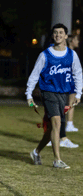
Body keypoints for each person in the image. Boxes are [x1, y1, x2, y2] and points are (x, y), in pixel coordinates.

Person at [26, 23, 82, 169]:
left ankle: (36, 151)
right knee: (57, 123)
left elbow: (78, 74)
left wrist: (79, 93)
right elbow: (34, 75)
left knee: (52, 129)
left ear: (65, 36)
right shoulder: (45, 54)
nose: (58, 35)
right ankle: (57, 160)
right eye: (55, 32)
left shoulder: (71, 55)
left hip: (63, 94)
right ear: (53, 35)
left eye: (61, 32)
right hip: (48, 92)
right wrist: (29, 94)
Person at [66, 33, 81, 132]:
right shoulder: (70, 53)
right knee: (71, 102)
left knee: (70, 103)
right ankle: (68, 124)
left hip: (69, 80)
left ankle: (69, 124)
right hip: (69, 80)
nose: (78, 41)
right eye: (76, 39)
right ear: (71, 41)